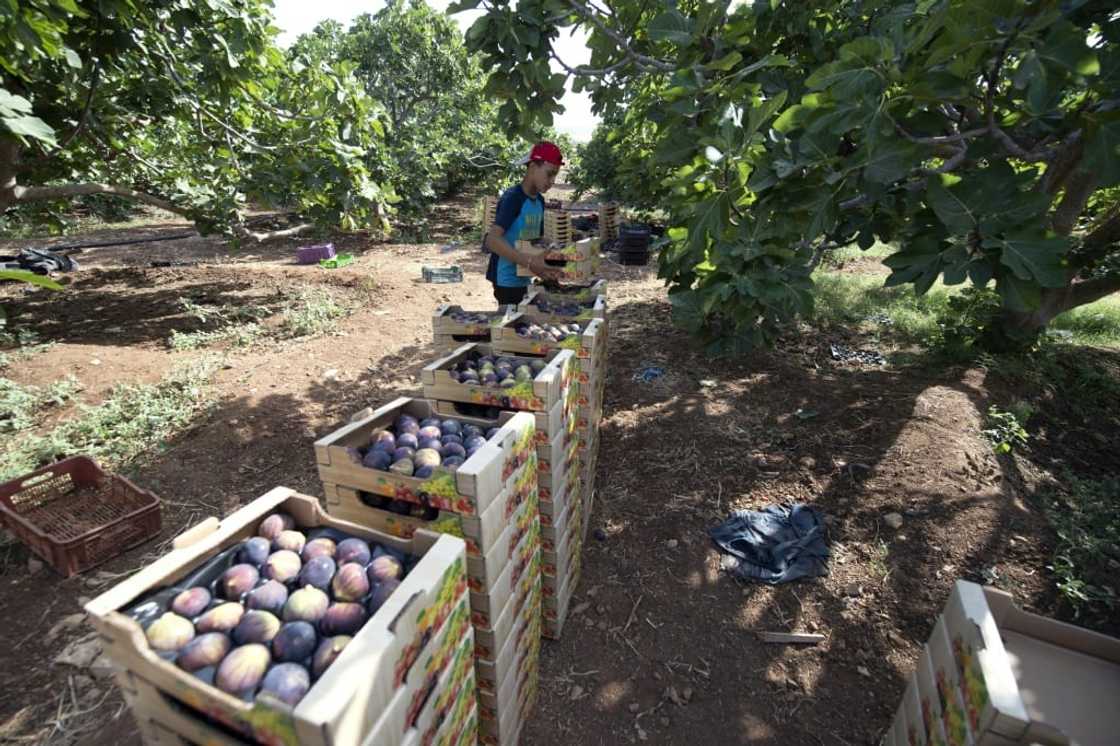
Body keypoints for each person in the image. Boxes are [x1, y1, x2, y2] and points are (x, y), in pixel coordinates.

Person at [485, 141, 564, 307]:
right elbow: (492, 240)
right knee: (513, 328)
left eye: (555, 176)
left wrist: (554, 252)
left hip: (525, 277)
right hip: (506, 279)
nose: (552, 181)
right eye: (549, 174)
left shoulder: (540, 202)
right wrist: (528, 262)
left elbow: (537, 239)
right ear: (533, 167)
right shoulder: (513, 198)